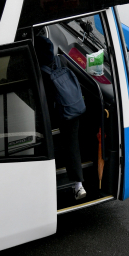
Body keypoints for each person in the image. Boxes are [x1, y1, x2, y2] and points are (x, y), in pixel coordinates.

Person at [34, 35, 87, 200]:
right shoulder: (61, 60)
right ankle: (78, 184)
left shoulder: (39, 72)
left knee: (41, 142)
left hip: (54, 114)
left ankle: (43, 185)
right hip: (72, 110)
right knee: (72, 145)